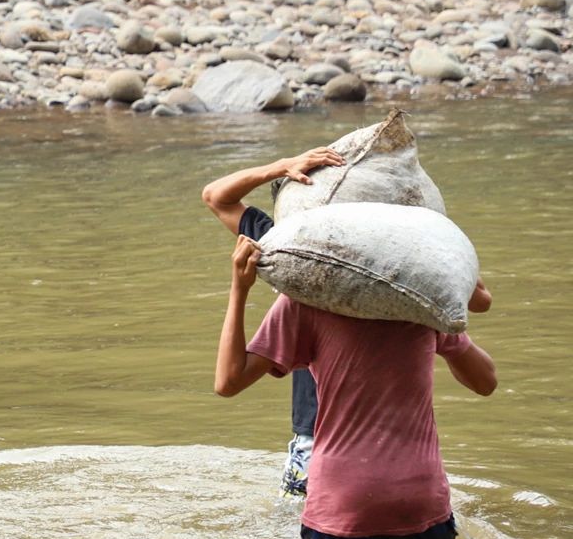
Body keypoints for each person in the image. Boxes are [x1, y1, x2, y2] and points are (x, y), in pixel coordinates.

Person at [202, 146, 493, 496]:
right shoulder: (408, 269)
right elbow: (478, 302)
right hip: (404, 453)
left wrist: (281, 167)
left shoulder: (280, 247)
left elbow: (217, 198)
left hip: (319, 445)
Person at [214, 235, 497, 539]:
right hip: (418, 498)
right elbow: (486, 382)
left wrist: (239, 288)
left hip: (342, 502)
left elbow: (228, 382)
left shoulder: (305, 302)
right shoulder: (420, 300)